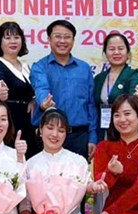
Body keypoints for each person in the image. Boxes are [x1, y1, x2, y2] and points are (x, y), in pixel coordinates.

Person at [31, 20, 97, 158]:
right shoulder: (39, 67)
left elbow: (91, 105)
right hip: (49, 137)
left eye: (67, 37)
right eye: (58, 36)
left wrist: (92, 137)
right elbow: (41, 88)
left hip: (79, 138)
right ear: (49, 39)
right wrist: (44, 103)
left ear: (73, 40)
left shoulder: (84, 68)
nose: (62, 41)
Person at [0, 22, 36, 157]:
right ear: (0, 42)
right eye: (8, 38)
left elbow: (32, 91)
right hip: (8, 123)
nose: (13, 41)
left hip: (28, 124)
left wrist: (34, 100)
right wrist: (0, 90)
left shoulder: (26, 66)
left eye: (16, 37)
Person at [93, 32, 138, 142]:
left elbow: (133, 98)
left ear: (128, 53)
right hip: (102, 132)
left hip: (125, 130)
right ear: (105, 53)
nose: (116, 52)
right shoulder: (99, 78)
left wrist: (136, 97)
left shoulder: (134, 74)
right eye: (111, 49)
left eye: (120, 48)